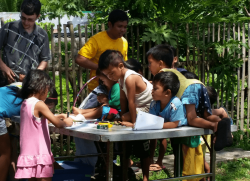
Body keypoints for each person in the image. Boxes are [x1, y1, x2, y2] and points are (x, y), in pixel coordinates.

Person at [147, 44, 232, 179]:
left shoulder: (162, 74)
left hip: (189, 89)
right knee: (205, 115)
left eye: (150, 63)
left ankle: (214, 126)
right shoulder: (175, 70)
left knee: (192, 119)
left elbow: (153, 86)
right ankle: (221, 121)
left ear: (160, 63)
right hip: (197, 84)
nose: (149, 67)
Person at [98, 50, 152, 181]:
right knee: (122, 119)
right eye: (107, 75)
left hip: (150, 108)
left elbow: (131, 102)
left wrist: (133, 123)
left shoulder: (130, 77)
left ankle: (145, 177)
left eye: (111, 73)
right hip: (139, 108)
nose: (110, 77)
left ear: (121, 66)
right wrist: (122, 116)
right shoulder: (120, 80)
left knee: (127, 122)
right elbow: (123, 100)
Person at [14, 70, 73, 180]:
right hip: (40, 153)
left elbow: (38, 122)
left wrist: (59, 115)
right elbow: (59, 124)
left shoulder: (25, 103)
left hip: (29, 155)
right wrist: (68, 121)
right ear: (40, 87)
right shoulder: (39, 104)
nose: (47, 93)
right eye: (47, 90)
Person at [0, 0, 50, 83]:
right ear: (21, 12)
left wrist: (31, 77)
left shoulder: (42, 35)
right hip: (7, 81)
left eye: (30, 20)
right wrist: (3, 67)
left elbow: (45, 59)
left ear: (38, 16)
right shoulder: (8, 28)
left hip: (30, 84)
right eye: (23, 18)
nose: (26, 22)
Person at [75, 9, 129, 92]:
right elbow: (80, 59)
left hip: (117, 88)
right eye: (119, 26)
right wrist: (103, 69)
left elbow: (124, 64)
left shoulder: (124, 42)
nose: (123, 30)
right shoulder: (96, 40)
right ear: (110, 24)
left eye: (125, 27)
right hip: (98, 88)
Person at [148, 72, 188, 171]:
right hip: (164, 128)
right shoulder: (154, 104)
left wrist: (155, 125)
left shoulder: (175, 103)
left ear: (167, 92)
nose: (152, 91)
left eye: (155, 89)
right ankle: (150, 160)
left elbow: (174, 124)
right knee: (153, 137)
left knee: (181, 156)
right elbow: (151, 120)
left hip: (182, 135)